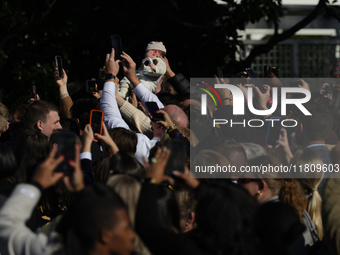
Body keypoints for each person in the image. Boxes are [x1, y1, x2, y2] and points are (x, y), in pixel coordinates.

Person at [0, 144, 135, 255]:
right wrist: (80, 192)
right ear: (105, 236)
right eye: (127, 228)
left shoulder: (51, 250)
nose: (132, 235)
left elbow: (6, 225)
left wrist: (36, 184)